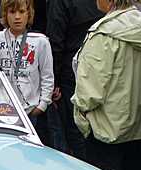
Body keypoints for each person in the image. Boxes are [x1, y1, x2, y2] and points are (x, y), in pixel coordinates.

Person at [71, 0, 141, 170]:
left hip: (105, 126)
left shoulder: (103, 33)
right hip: (138, 122)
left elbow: (90, 88)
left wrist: (82, 114)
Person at [46, 0, 103, 160]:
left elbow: (56, 39)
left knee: (75, 130)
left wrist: (54, 80)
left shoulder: (61, 3)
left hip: (71, 70)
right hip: (98, 67)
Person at [0, 0, 53, 129]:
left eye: (21, 11)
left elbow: (47, 75)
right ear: (5, 14)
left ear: (28, 14)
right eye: (12, 12)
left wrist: (42, 105)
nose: (17, 17)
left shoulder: (40, 41)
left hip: (29, 111)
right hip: (1, 109)